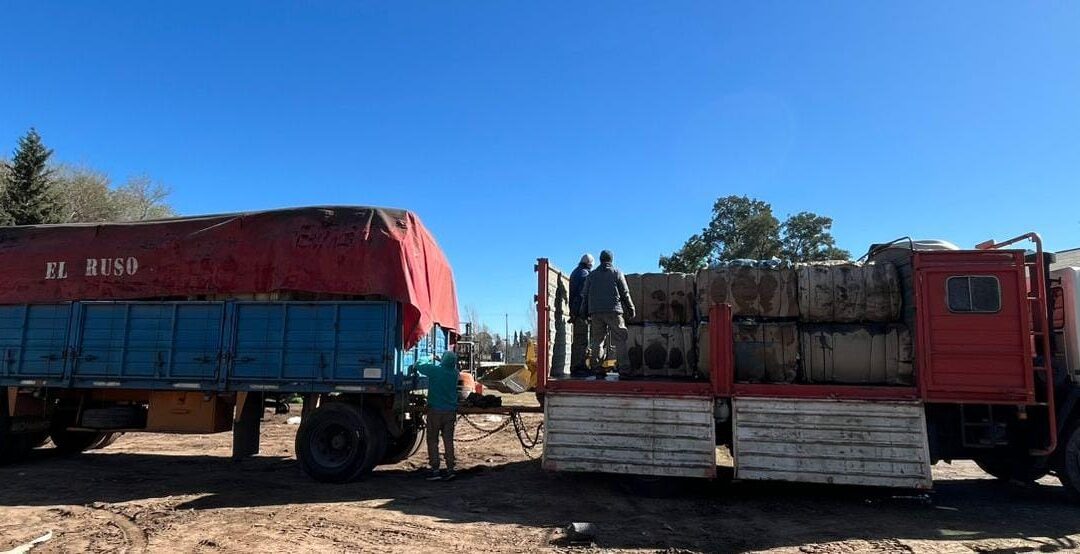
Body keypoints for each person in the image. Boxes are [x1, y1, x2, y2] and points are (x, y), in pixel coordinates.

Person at [581, 250, 635, 376]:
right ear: (611, 260)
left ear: (600, 260)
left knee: (597, 341)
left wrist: (583, 312)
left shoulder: (591, 275)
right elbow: (625, 293)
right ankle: (624, 369)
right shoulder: (617, 273)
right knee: (620, 339)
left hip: (595, 312)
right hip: (613, 311)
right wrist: (631, 308)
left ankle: (597, 367)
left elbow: (585, 295)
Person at [413, 351, 459, 481]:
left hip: (435, 412)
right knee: (448, 441)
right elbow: (448, 365)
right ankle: (450, 470)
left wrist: (430, 357)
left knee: (433, 441)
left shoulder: (435, 371)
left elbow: (419, 364)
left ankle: (435, 470)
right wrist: (441, 360)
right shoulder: (455, 373)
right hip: (450, 412)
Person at [568, 253, 594, 377]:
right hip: (580, 313)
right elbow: (582, 295)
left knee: (579, 339)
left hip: (576, 311)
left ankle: (578, 365)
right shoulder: (585, 275)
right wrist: (584, 312)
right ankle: (579, 366)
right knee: (581, 340)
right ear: (589, 264)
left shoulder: (575, 272)